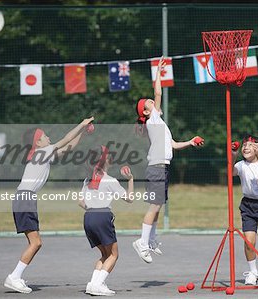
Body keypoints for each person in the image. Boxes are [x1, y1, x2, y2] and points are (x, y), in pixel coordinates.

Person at [4, 117, 94, 293]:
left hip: (25, 198)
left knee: (35, 242)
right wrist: (82, 124)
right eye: (45, 136)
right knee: (36, 243)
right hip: (25, 199)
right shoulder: (40, 153)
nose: (49, 138)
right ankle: (14, 277)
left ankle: (16, 276)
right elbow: (65, 140)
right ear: (38, 142)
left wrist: (83, 132)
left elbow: (68, 148)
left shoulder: (42, 155)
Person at [133, 57, 204, 263]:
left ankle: (151, 239)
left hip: (162, 167)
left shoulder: (159, 123)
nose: (153, 102)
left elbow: (172, 144)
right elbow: (158, 92)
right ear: (146, 111)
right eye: (149, 103)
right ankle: (142, 242)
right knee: (154, 206)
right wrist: (158, 73)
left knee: (159, 204)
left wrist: (190, 142)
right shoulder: (152, 119)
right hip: (156, 167)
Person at [79, 145, 134, 296]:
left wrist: (94, 209)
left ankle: (93, 284)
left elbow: (81, 202)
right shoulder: (110, 180)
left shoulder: (87, 180)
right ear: (106, 162)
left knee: (105, 254)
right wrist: (130, 180)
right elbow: (130, 199)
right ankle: (97, 285)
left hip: (88, 217)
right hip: (102, 217)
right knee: (114, 255)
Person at [232, 135, 258, 285]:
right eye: (245, 145)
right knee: (249, 241)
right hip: (248, 206)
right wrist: (233, 154)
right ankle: (252, 271)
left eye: (251, 145)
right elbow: (230, 172)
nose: (246, 147)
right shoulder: (241, 165)